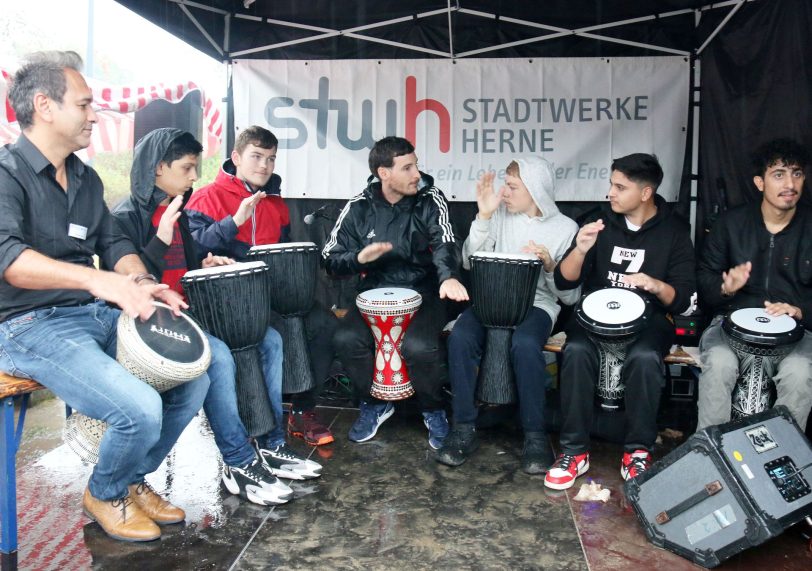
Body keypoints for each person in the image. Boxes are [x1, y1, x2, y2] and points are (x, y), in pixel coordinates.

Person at [0, 51, 209, 542]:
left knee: (192, 376)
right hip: (26, 325)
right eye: (85, 104)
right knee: (139, 408)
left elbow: (113, 243)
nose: (95, 115)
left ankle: (131, 480)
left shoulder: (85, 177)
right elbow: (8, 258)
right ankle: (106, 491)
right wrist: (98, 282)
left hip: (89, 313)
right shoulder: (6, 174)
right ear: (44, 106)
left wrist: (137, 282)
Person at [112, 129, 322, 507]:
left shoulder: (178, 207)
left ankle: (271, 443)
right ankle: (238, 459)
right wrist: (160, 239)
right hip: (153, 323)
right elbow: (131, 278)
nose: (195, 176)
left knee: (270, 340)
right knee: (221, 357)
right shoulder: (126, 216)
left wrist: (205, 261)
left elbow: (186, 265)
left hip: (191, 311)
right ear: (158, 168)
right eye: (187, 167)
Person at [544, 153, 696, 490]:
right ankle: (574, 452)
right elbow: (566, 283)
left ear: (645, 193)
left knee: (644, 358)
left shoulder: (674, 231)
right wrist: (581, 250)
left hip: (649, 319)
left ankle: (637, 451)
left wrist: (655, 285)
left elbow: (683, 298)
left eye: (619, 187)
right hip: (595, 317)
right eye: (611, 184)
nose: (610, 193)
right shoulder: (599, 222)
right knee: (577, 352)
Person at [186, 125, 338, 447]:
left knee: (322, 325)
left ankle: (301, 411)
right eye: (256, 156)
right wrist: (234, 222)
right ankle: (259, 425)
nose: (264, 166)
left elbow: (280, 252)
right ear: (236, 157)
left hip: (269, 297)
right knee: (270, 340)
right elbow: (192, 249)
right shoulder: (205, 198)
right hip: (226, 305)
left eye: (271, 159)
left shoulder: (276, 204)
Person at [322, 136, 469, 448]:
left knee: (419, 346)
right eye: (407, 167)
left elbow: (445, 240)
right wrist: (358, 259)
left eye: (415, 165)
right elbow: (330, 259)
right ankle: (374, 403)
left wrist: (448, 277)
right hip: (374, 292)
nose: (417, 173)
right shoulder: (358, 208)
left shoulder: (431, 198)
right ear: (383, 173)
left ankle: (433, 410)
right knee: (345, 339)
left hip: (425, 290)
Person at [436, 157, 579, 473]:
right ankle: (463, 427)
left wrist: (550, 266)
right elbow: (470, 262)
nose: (505, 192)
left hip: (537, 304)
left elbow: (569, 296)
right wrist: (484, 216)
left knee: (526, 345)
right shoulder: (498, 215)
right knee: (460, 338)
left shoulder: (566, 229)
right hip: (491, 300)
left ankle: (535, 436)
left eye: (512, 186)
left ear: (535, 189)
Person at [696, 138, 812, 431]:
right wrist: (727, 287)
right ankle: (710, 456)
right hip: (730, 327)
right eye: (779, 174)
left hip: (796, 334)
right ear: (759, 182)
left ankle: (783, 459)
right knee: (719, 365)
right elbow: (704, 285)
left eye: (796, 173)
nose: (790, 183)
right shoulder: (730, 224)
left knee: (800, 373)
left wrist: (800, 310)